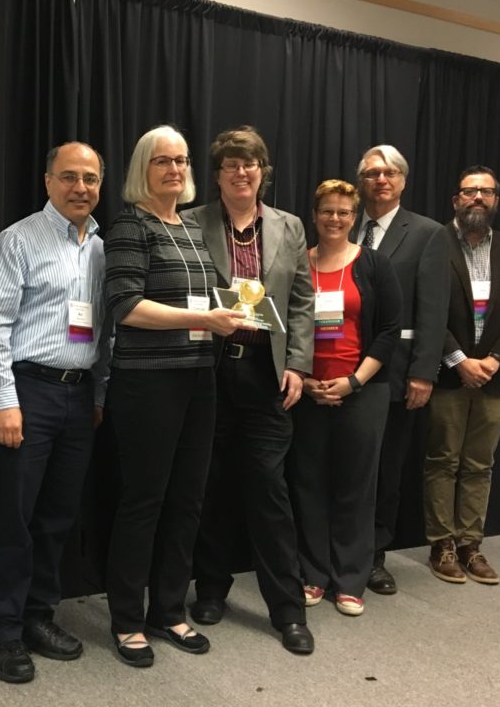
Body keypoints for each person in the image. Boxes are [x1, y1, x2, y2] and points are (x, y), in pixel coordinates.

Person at [104, 125, 252, 667]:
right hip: (148, 382)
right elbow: (126, 305)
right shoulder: (130, 225)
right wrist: (204, 318)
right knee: (144, 500)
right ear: (143, 167)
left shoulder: (189, 228)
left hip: (197, 379)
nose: (175, 169)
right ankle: (126, 620)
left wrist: (241, 311)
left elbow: (211, 297)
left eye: (182, 161)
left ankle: (168, 609)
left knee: (188, 499)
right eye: (163, 160)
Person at [0, 142, 110, 683]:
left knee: (57, 517)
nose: (81, 188)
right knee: (14, 518)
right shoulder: (18, 240)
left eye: (91, 179)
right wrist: (3, 402)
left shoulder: (104, 247)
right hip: (27, 393)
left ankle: (38, 617)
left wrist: (99, 395)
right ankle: (1, 633)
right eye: (70, 177)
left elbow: (107, 329)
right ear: (48, 180)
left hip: (80, 396)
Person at [184, 126, 316, 654]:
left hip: (266, 375)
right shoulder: (192, 222)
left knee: (269, 492)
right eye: (232, 163)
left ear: (263, 171)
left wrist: (299, 366)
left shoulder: (289, 226)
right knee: (210, 486)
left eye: (252, 163)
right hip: (209, 372)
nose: (242, 171)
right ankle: (211, 590)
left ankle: (287, 611)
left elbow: (302, 301)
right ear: (216, 174)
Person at [289, 179, 401, 616]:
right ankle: (313, 575)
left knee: (356, 487)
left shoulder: (374, 264)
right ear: (313, 215)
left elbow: (390, 331)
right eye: (327, 211)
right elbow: (285, 323)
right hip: (307, 390)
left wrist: (353, 382)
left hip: (362, 391)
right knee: (308, 484)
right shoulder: (300, 264)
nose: (335, 219)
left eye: (344, 213)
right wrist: (307, 380)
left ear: (354, 219)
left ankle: (351, 580)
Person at [423, 166, 500, 584]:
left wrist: (494, 360)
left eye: (486, 192)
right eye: (470, 191)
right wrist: (458, 359)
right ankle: (441, 544)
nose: (478, 198)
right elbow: (428, 308)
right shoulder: (435, 243)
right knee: (442, 460)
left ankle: (471, 544)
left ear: (496, 201)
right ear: (456, 200)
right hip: (450, 374)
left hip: (494, 376)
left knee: (479, 464)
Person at [355, 145, 449, 596]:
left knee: (386, 469)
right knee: (347, 466)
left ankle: (373, 556)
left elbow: (434, 309)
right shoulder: (343, 224)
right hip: (342, 367)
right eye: (372, 173)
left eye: (390, 172)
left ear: (403, 181)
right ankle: (337, 549)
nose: (381, 179)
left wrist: (424, 373)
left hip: (397, 374)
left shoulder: (427, 233)